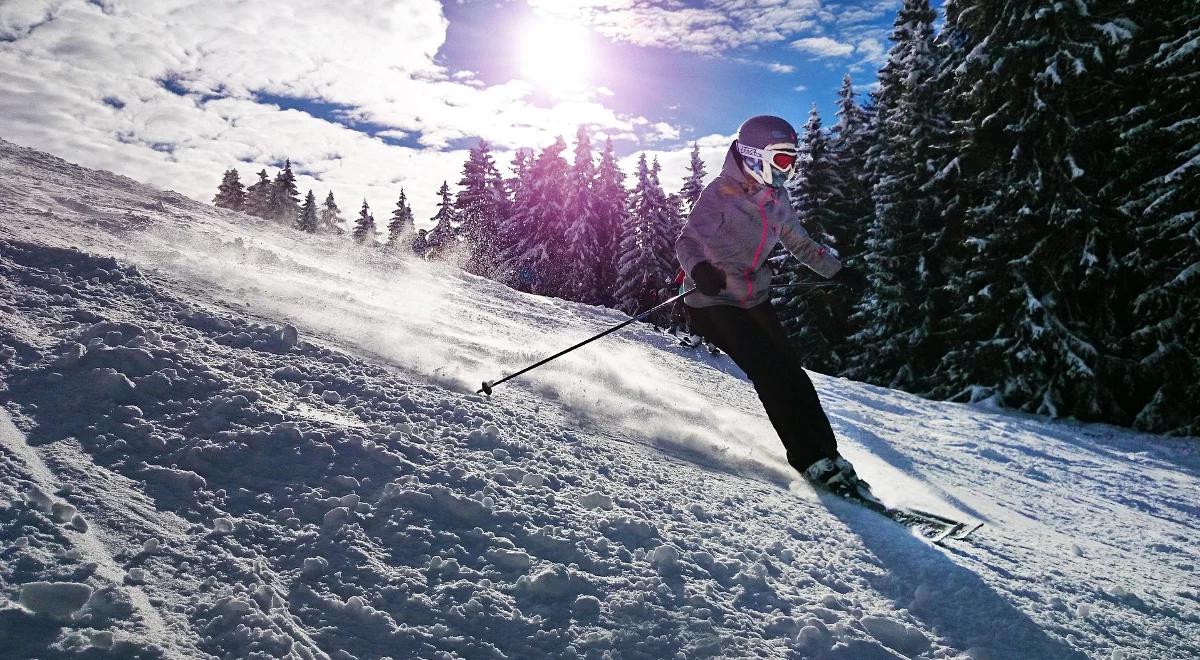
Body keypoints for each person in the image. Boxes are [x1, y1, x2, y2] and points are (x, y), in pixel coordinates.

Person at [675, 115, 868, 495]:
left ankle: (829, 454)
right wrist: (700, 269)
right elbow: (687, 241)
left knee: (793, 373)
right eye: (781, 160)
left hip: (752, 298)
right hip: (713, 301)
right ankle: (808, 458)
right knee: (771, 373)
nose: (788, 170)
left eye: (792, 161)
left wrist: (836, 271)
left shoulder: (777, 199)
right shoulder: (720, 193)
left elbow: (799, 243)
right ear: (752, 155)